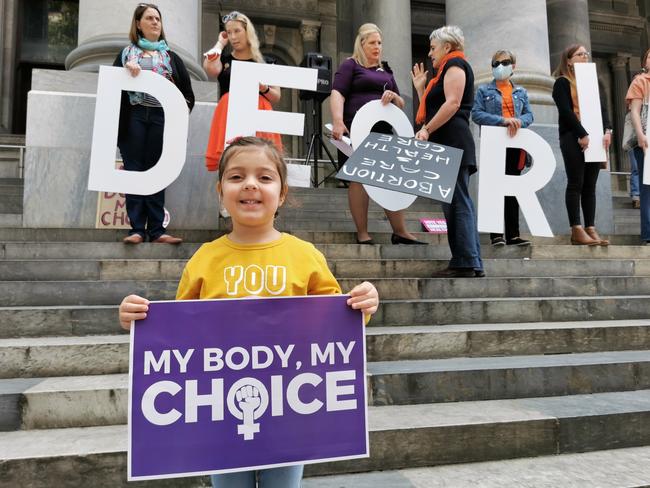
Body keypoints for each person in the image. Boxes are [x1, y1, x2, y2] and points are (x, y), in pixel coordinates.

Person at [119, 137, 379, 488]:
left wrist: (363, 304)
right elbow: (178, 337)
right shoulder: (204, 259)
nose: (251, 184)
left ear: (282, 194)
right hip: (219, 414)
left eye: (265, 177)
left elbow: (335, 326)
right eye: (237, 176)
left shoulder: (305, 256)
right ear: (220, 191)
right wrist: (138, 322)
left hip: (290, 412)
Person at [330, 23, 426, 245]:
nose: (377, 47)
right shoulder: (350, 65)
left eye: (380, 43)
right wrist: (337, 120)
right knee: (359, 180)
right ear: (361, 44)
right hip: (357, 128)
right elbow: (338, 93)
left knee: (389, 179)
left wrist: (393, 96)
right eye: (372, 42)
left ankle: (400, 231)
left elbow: (401, 103)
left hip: (382, 130)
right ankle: (362, 232)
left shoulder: (386, 70)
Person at [114, 3, 194, 244]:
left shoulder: (171, 57)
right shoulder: (126, 54)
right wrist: (124, 73)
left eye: (158, 19)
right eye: (149, 18)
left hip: (162, 117)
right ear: (138, 24)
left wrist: (178, 117)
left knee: (159, 171)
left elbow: (187, 95)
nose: (155, 22)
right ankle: (137, 229)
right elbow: (111, 90)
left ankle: (157, 230)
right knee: (135, 170)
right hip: (135, 117)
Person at [411, 25, 484, 277]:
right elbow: (434, 107)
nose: (430, 54)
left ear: (447, 47)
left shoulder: (455, 66)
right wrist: (422, 89)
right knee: (455, 203)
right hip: (448, 143)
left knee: (457, 203)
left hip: (453, 142)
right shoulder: (442, 71)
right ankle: (470, 260)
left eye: (433, 48)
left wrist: (427, 130)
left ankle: (465, 261)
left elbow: (452, 104)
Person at [204, 11, 283, 171]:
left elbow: (276, 96)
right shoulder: (224, 60)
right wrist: (220, 43)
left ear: (248, 32)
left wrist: (263, 88)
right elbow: (210, 68)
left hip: (259, 112)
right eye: (229, 32)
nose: (233, 37)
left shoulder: (266, 62)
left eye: (237, 31)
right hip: (229, 112)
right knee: (231, 162)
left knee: (262, 161)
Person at [471, 49, 534, 248]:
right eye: (495, 63)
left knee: (512, 190)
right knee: (494, 189)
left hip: (515, 143)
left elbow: (529, 116)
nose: (500, 67)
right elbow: (477, 114)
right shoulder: (483, 90)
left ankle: (513, 234)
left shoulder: (521, 92)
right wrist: (503, 120)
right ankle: (496, 234)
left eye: (504, 62)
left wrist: (518, 122)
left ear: (513, 66)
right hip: (494, 143)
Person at [552, 44, 612, 246]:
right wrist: (581, 133)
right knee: (576, 182)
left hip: (594, 138)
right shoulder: (561, 82)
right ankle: (576, 229)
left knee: (590, 186)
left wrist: (607, 131)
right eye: (580, 54)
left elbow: (602, 109)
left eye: (586, 54)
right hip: (572, 136)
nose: (585, 57)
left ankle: (590, 227)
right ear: (569, 60)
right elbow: (566, 112)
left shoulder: (591, 81)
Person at [626, 48, 650, 244]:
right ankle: (648, 233)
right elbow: (635, 111)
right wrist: (641, 136)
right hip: (646, 142)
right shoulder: (640, 81)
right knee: (647, 187)